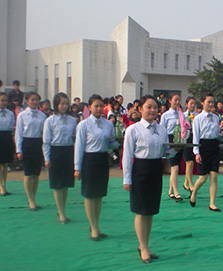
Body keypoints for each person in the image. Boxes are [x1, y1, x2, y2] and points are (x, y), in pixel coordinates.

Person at [123, 95, 178, 264]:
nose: (153, 110)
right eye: (149, 107)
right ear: (140, 109)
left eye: (155, 107)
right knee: (141, 211)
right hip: (140, 170)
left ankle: (145, 245)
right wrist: (127, 178)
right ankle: (143, 246)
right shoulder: (133, 130)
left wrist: (176, 149)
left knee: (151, 211)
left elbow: (165, 152)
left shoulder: (161, 129)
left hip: (156, 169)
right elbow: (127, 155)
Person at [74, 94, 118, 241]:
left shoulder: (108, 124)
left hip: (102, 160)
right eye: (96, 106)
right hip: (89, 160)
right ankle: (92, 226)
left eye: (101, 106)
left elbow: (111, 145)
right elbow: (79, 147)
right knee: (90, 195)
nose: (99, 109)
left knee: (99, 195)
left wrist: (120, 141)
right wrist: (77, 167)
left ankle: (96, 225)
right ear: (89, 108)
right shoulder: (83, 125)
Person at [43, 93, 77, 224]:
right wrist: (47, 158)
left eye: (66, 103)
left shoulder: (72, 120)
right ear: (56, 104)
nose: (64, 106)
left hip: (68, 151)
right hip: (55, 151)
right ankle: (61, 211)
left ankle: (63, 209)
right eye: (61, 103)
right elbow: (46, 141)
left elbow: (75, 138)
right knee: (57, 184)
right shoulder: (50, 121)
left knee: (66, 183)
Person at [15, 92, 47, 210]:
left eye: (36, 100)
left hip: (38, 144)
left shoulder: (42, 116)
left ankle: (34, 197)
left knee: (36, 173)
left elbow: (44, 133)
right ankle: (30, 199)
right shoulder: (22, 115)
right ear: (27, 101)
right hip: (27, 144)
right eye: (32, 100)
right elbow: (18, 133)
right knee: (28, 173)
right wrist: (19, 150)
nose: (34, 102)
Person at [190, 93, 221, 211]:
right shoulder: (197, 118)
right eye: (209, 102)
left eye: (213, 102)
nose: (211, 104)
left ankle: (212, 203)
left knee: (214, 176)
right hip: (202, 147)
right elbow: (196, 137)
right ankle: (194, 193)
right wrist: (196, 152)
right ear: (202, 102)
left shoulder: (216, 117)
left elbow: (217, 134)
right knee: (203, 177)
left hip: (214, 147)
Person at [160, 93, 184, 201]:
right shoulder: (165, 115)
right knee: (175, 167)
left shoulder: (181, 114)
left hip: (179, 140)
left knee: (175, 167)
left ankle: (170, 191)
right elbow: (162, 129)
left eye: (179, 100)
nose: (178, 102)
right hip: (170, 140)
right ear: (170, 101)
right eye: (175, 100)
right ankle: (177, 192)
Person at [0, 92, 15, 196]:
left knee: (5, 164)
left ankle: (4, 185)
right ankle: (0, 186)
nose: (4, 102)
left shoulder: (10, 113)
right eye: (2, 100)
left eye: (5, 100)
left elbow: (12, 126)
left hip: (7, 137)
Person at [183, 96, 198, 192]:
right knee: (189, 162)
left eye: (194, 104)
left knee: (191, 163)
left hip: (194, 138)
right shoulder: (183, 115)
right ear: (186, 104)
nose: (193, 105)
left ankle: (185, 183)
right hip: (186, 139)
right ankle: (191, 184)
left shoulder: (197, 115)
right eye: (191, 103)